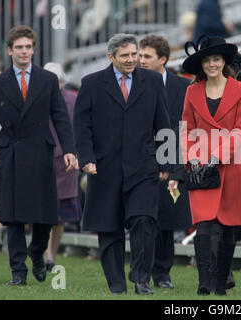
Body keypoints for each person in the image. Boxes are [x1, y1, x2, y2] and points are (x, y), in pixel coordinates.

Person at [73, 33, 171, 295]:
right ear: (111, 57)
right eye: (125, 55)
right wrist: (87, 159)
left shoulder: (151, 81)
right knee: (109, 228)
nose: (131, 60)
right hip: (104, 169)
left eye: (134, 54)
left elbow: (163, 123)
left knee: (144, 221)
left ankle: (141, 279)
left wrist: (166, 160)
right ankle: (116, 285)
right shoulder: (91, 84)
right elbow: (81, 128)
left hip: (143, 166)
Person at [0, 25, 76, 286]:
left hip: (41, 153)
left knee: (44, 215)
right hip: (10, 154)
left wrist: (69, 150)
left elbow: (60, 117)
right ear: (10, 50)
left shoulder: (47, 80)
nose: (24, 52)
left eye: (28, 47)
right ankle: (18, 273)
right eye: (19, 47)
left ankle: (37, 253)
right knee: (12, 217)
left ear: (33, 49)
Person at [180, 36, 241, 295]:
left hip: (230, 164)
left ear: (224, 62)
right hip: (201, 167)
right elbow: (186, 128)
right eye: (207, 60)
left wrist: (217, 156)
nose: (212, 64)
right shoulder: (192, 91)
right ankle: (204, 281)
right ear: (201, 65)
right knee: (203, 223)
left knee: (226, 226)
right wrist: (192, 157)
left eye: (216, 59)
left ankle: (220, 283)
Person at [138, 35, 192, 289]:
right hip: (140, 160)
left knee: (167, 222)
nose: (141, 60)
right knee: (143, 220)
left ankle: (163, 274)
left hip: (171, 160)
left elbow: (185, 128)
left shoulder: (182, 87)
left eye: (147, 56)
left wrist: (175, 168)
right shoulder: (132, 82)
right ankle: (142, 273)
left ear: (163, 59)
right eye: (140, 55)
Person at [42, 62, 81, 271]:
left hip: (66, 164)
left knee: (61, 214)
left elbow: (81, 128)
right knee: (42, 211)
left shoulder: (73, 100)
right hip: (40, 161)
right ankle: (43, 251)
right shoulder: (34, 99)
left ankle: (51, 253)